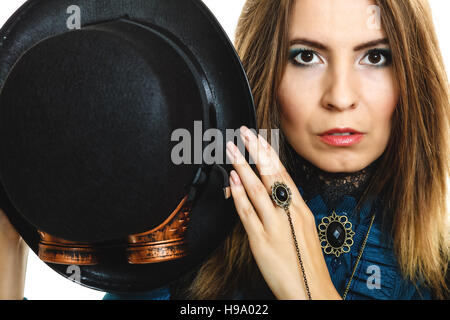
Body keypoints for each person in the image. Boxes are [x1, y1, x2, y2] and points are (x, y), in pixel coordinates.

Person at [1, 0, 449, 300]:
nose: (341, 97)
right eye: (306, 56)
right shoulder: (177, 247)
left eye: (374, 56)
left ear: (413, 74)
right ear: (265, 70)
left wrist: (309, 288)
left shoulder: (438, 269)